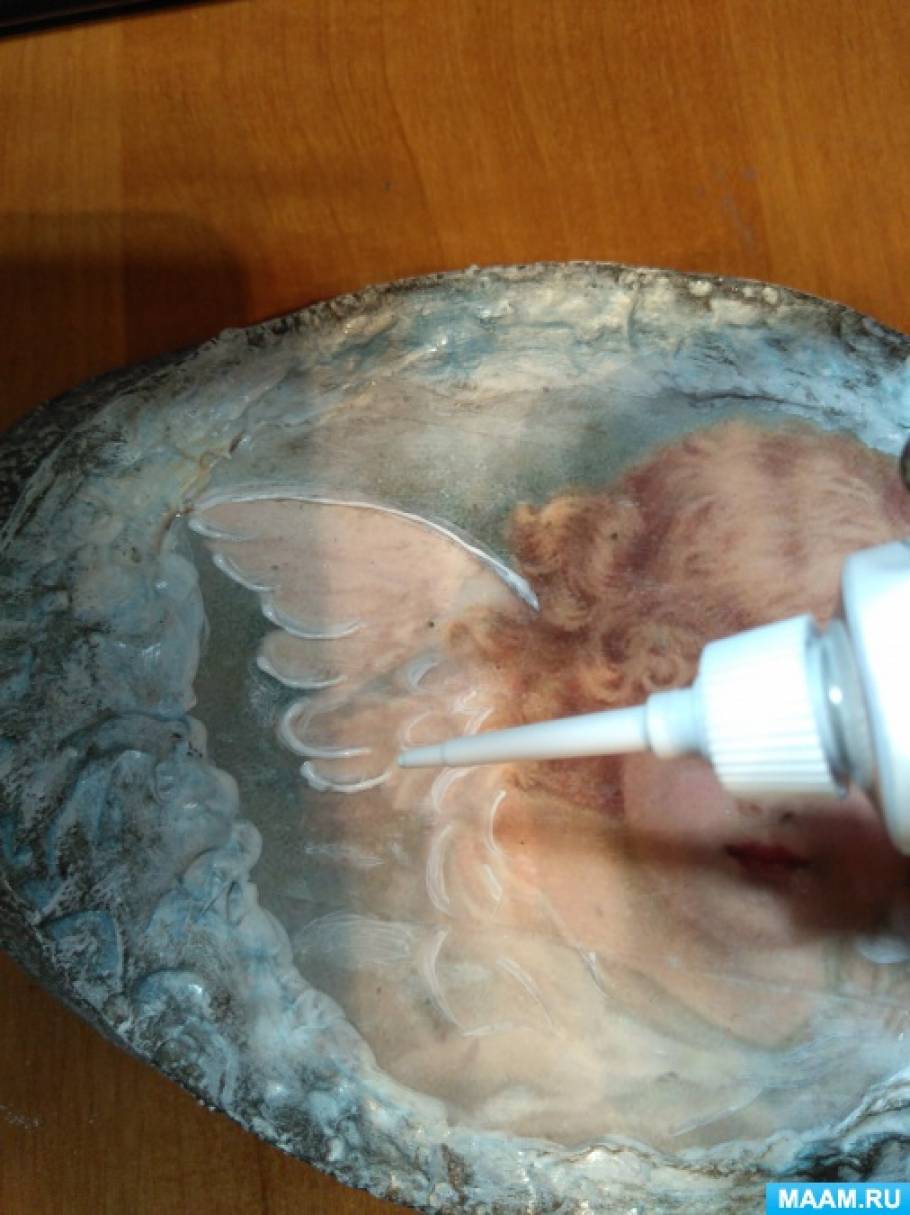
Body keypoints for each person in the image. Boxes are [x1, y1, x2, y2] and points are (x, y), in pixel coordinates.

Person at [200, 418, 910, 1148]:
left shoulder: (878, 995)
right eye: (746, 721)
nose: (791, 797)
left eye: (864, 755)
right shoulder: (496, 932)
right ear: (614, 682)